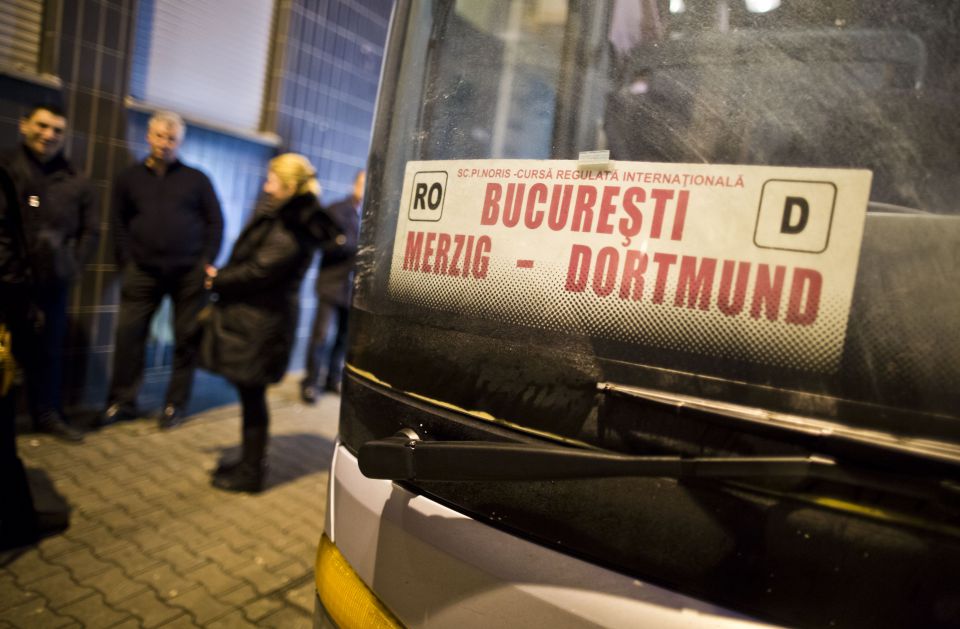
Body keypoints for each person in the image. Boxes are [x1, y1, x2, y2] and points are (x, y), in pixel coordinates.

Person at [201, 153, 341, 492]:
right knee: (251, 394)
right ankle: (250, 463)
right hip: (258, 319)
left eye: (271, 180)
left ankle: (252, 472)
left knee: (253, 394)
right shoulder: (288, 217)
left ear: (290, 186)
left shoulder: (292, 226)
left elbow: (260, 270)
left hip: (263, 323)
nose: (266, 186)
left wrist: (218, 279)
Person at [102, 111, 223, 429]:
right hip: (142, 271)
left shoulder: (197, 179)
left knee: (186, 339)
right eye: (159, 136)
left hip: (188, 274)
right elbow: (117, 222)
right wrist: (126, 262)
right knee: (129, 336)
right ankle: (122, 401)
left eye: (171, 139)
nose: (164, 144)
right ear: (148, 136)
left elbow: (216, 221)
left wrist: (206, 262)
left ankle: (175, 405)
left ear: (179, 142)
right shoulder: (129, 178)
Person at [0, 104, 98, 443]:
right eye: (42, 125)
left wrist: (72, 266)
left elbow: (90, 230)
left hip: (51, 286)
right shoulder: (6, 169)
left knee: (48, 353)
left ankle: (47, 415)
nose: (49, 135)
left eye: (57, 130)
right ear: (24, 124)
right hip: (5, 285)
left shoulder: (73, 179)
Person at [300, 170, 364, 404]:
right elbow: (323, 243)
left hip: (353, 288)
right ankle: (310, 382)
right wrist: (346, 244)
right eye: (362, 183)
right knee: (321, 336)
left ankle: (332, 379)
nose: (366, 188)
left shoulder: (372, 216)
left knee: (343, 338)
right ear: (354, 184)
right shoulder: (336, 211)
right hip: (331, 283)